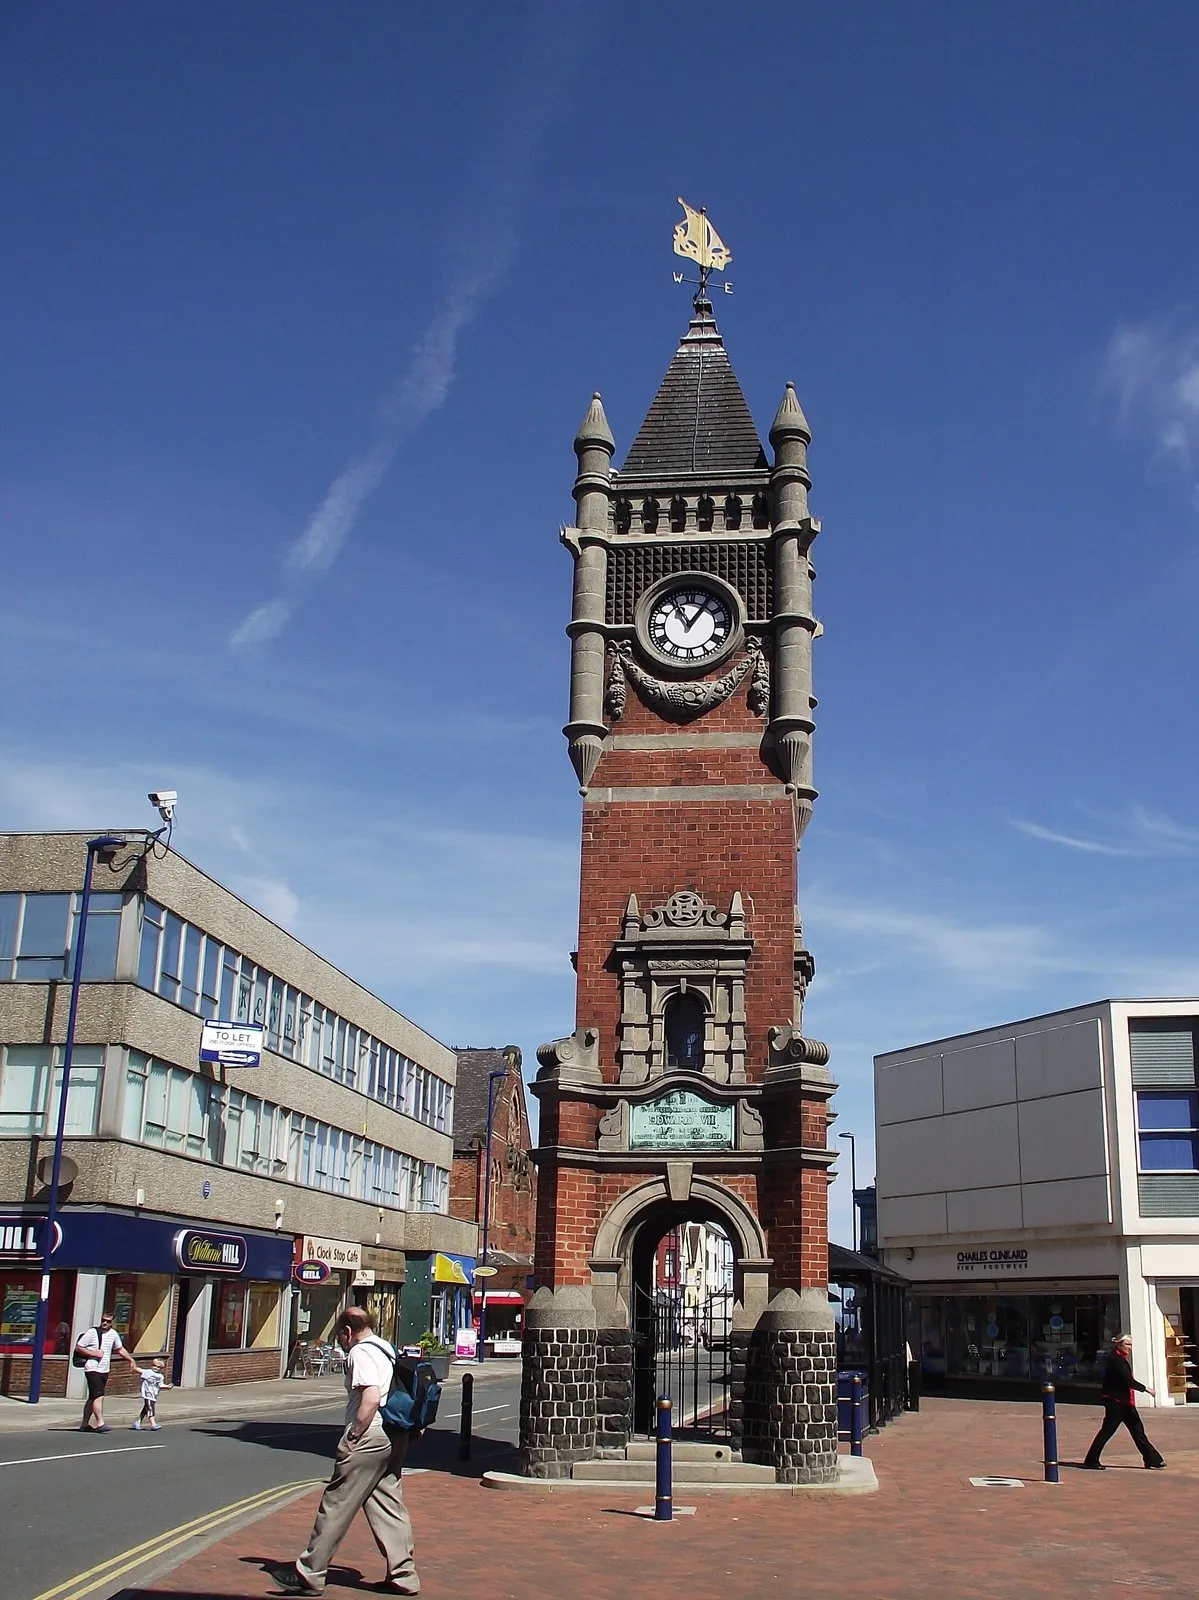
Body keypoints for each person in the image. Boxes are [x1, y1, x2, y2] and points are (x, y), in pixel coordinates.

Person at [269, 1306, 419, 1597]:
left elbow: (371, 1397)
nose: (341, 1342)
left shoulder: (361, 1352)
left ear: (347, 1331)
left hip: (370, 1435)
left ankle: (310, 1574)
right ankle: (404, 1576)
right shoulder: (386, 1347)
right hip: (394, 1434)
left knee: (336, 1504)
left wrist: (353, 1435)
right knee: (388, 1505)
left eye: (340, 1336)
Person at [1082, 1334, 1166, 1470]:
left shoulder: (1120, 1359)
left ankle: (1152, 1459)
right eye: (1127, 1344)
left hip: (1125, 1402)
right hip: (1116, 1401)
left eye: (1131, 1345)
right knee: (1107, 1431)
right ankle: (1091, 1459)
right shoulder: (1116, 1360)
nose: (1130, 1348)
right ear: (1119, 1344)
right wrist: (1146, 1389)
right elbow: (1127, 1380)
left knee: (1137, 1430)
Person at [75, 1310, 139, 1433]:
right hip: (92, 1368)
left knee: (93, 1397)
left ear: (113, 1322)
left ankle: (84, 1424)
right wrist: (93, 1353)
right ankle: (100, 1423)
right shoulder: (92, 1332)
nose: (104, 1323)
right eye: (103, 1320)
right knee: (98, 1396)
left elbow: (120, 1349)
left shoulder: (114, 1334)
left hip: (104, 1369)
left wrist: (131, 1360)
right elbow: (79, 1347)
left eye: (108, 1321)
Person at [132, 1358, 167, 1430]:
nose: (156, 1368)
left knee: (146, 1408)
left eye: (158, 1367)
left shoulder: (160, 1376)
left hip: (154, 1394)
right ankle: (153, 1424)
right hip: (148, 1394)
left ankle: (137, 1422)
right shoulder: (148, 1372)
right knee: (150, 1408)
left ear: (162, 1368)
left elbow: (160, 1385)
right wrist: (134, 1366)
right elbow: (139, 1370)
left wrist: (167, 1387)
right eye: (154, 1365)